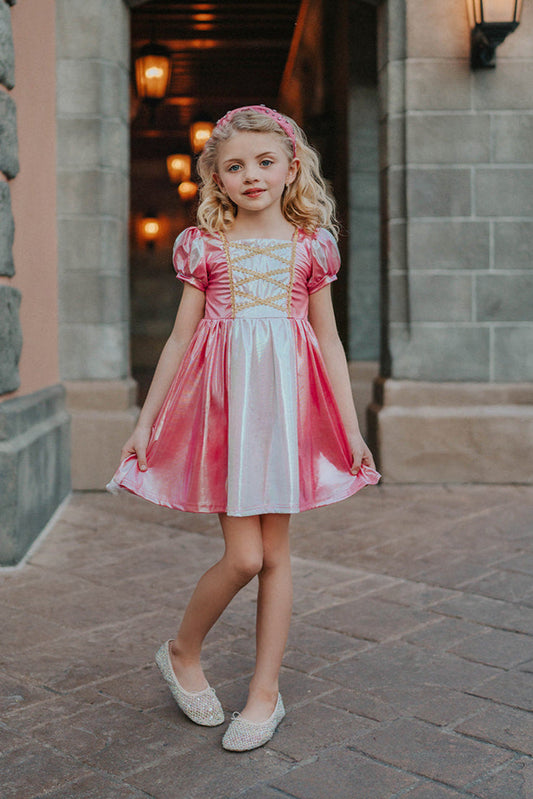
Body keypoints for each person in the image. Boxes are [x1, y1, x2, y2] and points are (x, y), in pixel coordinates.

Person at [107, 105, 380, 752]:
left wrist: (349, 427)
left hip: (287, 411)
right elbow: (178, 340)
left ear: (291, 167)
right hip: (228, 410)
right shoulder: (206, 246)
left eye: (264, 161)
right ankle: (181, 651)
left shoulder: (310, 245)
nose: (250, 174)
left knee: (277, 554)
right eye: (234, 166)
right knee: (244, 556)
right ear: (216, 179)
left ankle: (264, 693)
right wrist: (144, 422)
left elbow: (328, 340)